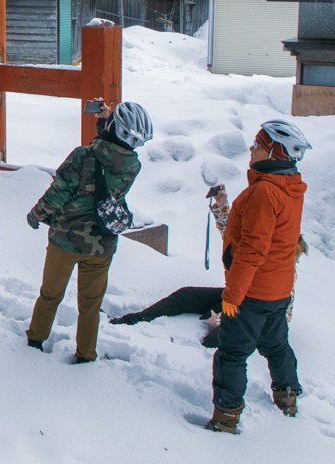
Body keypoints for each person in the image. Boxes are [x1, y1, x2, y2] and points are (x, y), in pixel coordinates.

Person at [205, 119, 311, 434]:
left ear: (274, 151)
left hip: (252, 293)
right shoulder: (289, 186)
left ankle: (225, 418)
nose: (251, 149)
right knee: (276, 345)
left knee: (232, 353)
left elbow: (252, 251)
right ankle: (287, 397)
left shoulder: (264, 193)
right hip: (278, 292)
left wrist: (232, 296)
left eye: (258, 144)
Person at [25, 101, 152, 363]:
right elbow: (107, 155)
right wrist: (104, 122)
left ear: (115, 126)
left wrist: (37, 213)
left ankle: (35, 340)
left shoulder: (82, 155)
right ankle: (85, 354)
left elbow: (59, 192)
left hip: (65, 241)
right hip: (101, 247)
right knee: (90, 305)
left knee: (51, 294)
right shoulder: (133, 167)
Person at [112, 189, 307, 347]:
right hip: (236, 297)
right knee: (185, 296)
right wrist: (222, 205)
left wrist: (220, 320)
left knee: (214, 340)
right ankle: (132, 320)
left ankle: (183, 352)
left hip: (257, 315)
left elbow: (279, 311)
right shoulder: (259, 241)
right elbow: (234, 236)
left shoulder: (281, 266)